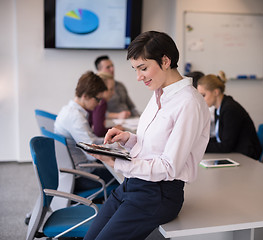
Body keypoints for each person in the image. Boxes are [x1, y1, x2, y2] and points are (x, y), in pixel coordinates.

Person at [84, 31, 211, 240]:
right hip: (133, 185)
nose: (138, 77)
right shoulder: (159, 94)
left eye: (143, 68)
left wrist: (117, 162)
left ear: (165, 61)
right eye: (135, 69)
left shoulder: (189, 103)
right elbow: (155, 144)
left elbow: (169, 166)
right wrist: (128, 138)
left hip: (158, 194)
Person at [54, 71, 115, 191]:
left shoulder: (67, 110)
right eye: (97, 99)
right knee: (125, 177)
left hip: (71, 172)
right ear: (85, 96)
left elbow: (90, 140)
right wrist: (116, 151)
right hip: (82, 176)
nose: (98, 104)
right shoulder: (76, 118)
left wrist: (110, 140)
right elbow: (91, 154)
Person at [197, 71, 262, 159]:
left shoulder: (230, 109)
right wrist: (199, 143)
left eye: (203, 95)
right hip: (235, 152)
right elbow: (219, 138)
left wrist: (198, 147)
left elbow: (226, 146)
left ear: (216, 92)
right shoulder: (219, 108)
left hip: (246, 156)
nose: (201, 99)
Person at [88, 72, 123, 137]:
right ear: (102, 88)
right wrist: (114, 129)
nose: (113, 93)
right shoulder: (101, 102)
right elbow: (99, 131)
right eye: (111, 89)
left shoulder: (93, 100)